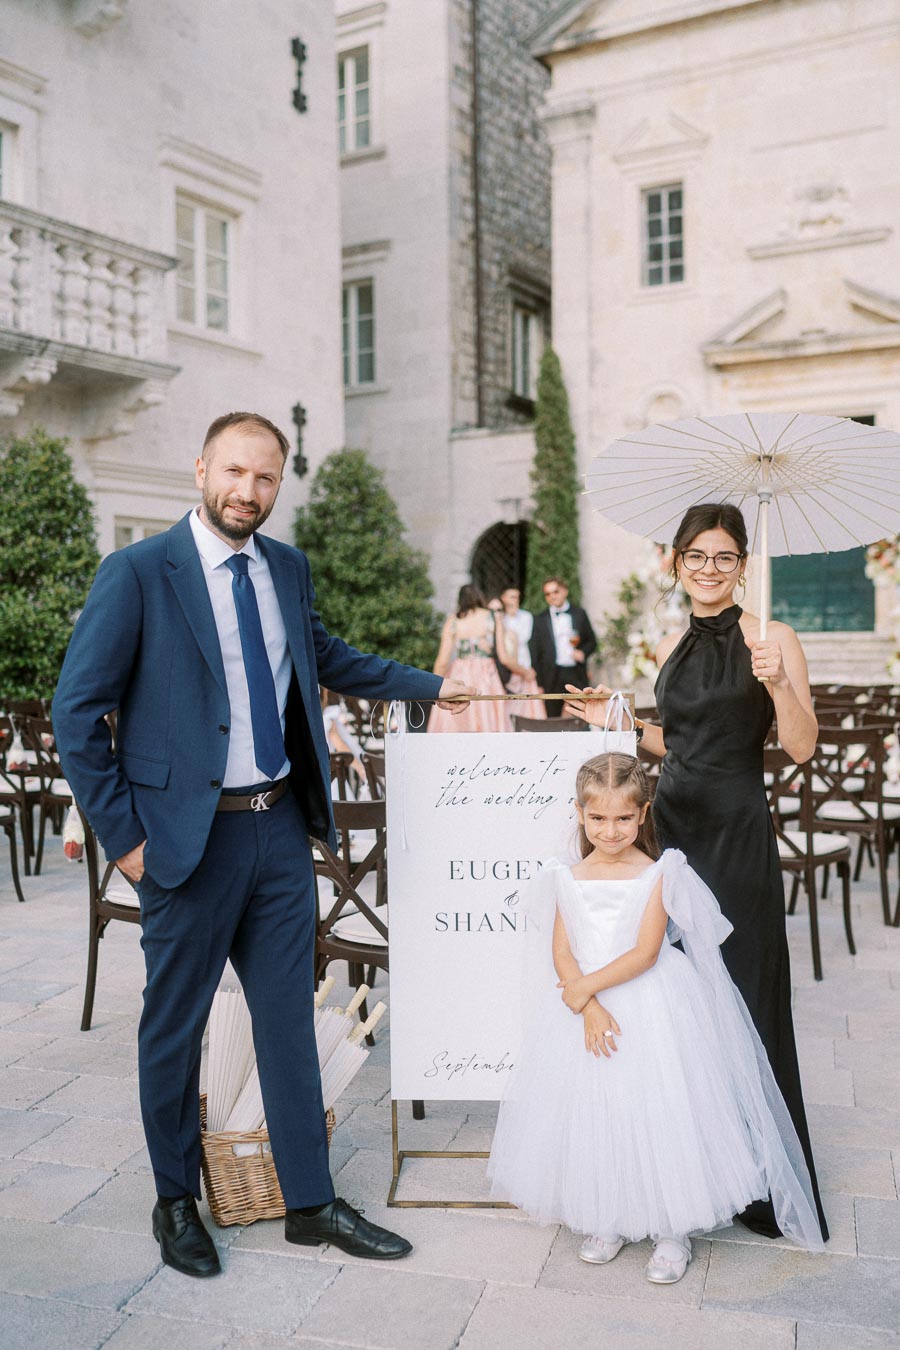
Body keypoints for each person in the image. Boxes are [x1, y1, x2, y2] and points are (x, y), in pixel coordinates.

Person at [53, 411, 471, 1280]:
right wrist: (125, 840)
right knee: (174, 1029)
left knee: (289, 1020)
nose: (249, 491)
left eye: (267, 478)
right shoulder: (136, 573)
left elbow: (325, 656)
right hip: (182, 846)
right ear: (201, 466)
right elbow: (75, 713)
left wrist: (440, 685)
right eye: (235, 472)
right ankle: (175, 1201)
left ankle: (310, 1203)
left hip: (279, 830)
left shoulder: (287, 566)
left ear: (281, 483)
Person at [564, 501, 828, 1243]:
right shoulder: (676, 640)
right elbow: (674, 743)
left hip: (736, 832)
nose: (709, 569)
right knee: (674, 1000)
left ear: (743, 565)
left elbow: (802, 747)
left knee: (744, 994)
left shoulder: (773, 636)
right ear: (675, 563)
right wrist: (614, 720)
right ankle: (693, 1166)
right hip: (670, 829)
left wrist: (778, 685)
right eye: (695, 556)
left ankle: (763, 1180)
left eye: (723, 557)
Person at [487, 753, 824, 1283]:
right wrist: (589, 1007)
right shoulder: (564, 876)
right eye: (598, 818)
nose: (611, 830)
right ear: (578, 813)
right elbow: (562, 951)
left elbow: (646, 953)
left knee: (660, 1108)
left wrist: (582, 991)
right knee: (600, 1110)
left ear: (642, 815)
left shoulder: (659, 873)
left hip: (651, 1004)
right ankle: (609, 1215)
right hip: (590, 1011)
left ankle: (672, 1229)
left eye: (623, 818)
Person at [428, 584, 512, 732]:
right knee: (488, 716)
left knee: (457, 718)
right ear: (480, 597)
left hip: (460, 673)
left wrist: (433, 687)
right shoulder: (492, 617)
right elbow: (503, 655)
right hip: (487, 675)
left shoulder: (453, 621)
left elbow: (442, 660)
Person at [530, 577, 597, 716]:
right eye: (547, 594)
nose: (552, 596)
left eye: (555, 591)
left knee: (584, 715)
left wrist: (583, 653)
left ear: (565, 591)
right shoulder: (540, 619)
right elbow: (535, 652)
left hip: (576, 672)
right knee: (552, 718)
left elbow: (592, 641)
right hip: (552, 675)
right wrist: (539, 683)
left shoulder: (579, 614)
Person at [492, 587, 545, 720]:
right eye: (512, 597)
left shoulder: (527, 617)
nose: (515, 600)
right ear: (503, 598)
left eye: (517, 597)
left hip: (525, 666)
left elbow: (533, 644)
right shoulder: (498, 618)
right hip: (507, 670)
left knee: (528, 709)